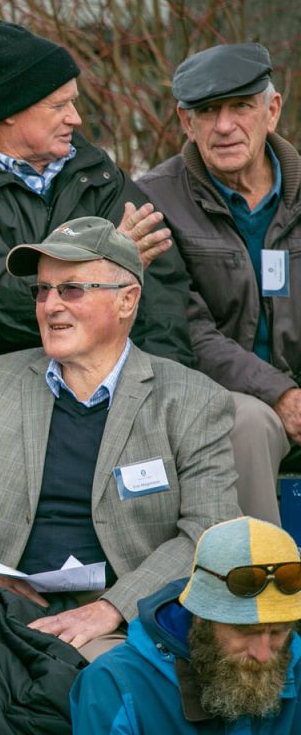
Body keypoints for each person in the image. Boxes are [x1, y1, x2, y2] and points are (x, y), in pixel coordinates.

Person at [0, 216, 239, 670]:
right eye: (42, 290)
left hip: (119, 623)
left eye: (71, 290)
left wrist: (113, 607)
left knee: (105, 679)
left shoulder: (191, 400)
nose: (50, 305)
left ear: (127, 301)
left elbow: (208, 533)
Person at [0, 19, 194, 366]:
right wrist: (108, 266)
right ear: (9, 110)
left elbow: (163, 292)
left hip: (119, 376)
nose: (76, 118)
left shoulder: (96, 171)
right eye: (59, 105)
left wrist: (164, 381)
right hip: (8, 383)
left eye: (74, 102)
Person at [137, 43, 297, 525]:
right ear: (187, 124)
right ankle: (257, 589)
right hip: (212, 392)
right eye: (207, 111)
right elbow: (185, 329)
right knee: (247, 423)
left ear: (271, 111)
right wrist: (280, 393)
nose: (224, 126)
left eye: (241, 107)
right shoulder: (153, 201)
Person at [72, 516, 301, 733]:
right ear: (199, 615)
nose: (262, 654)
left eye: (279, 632)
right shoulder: (111, 684)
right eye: (244, 631)